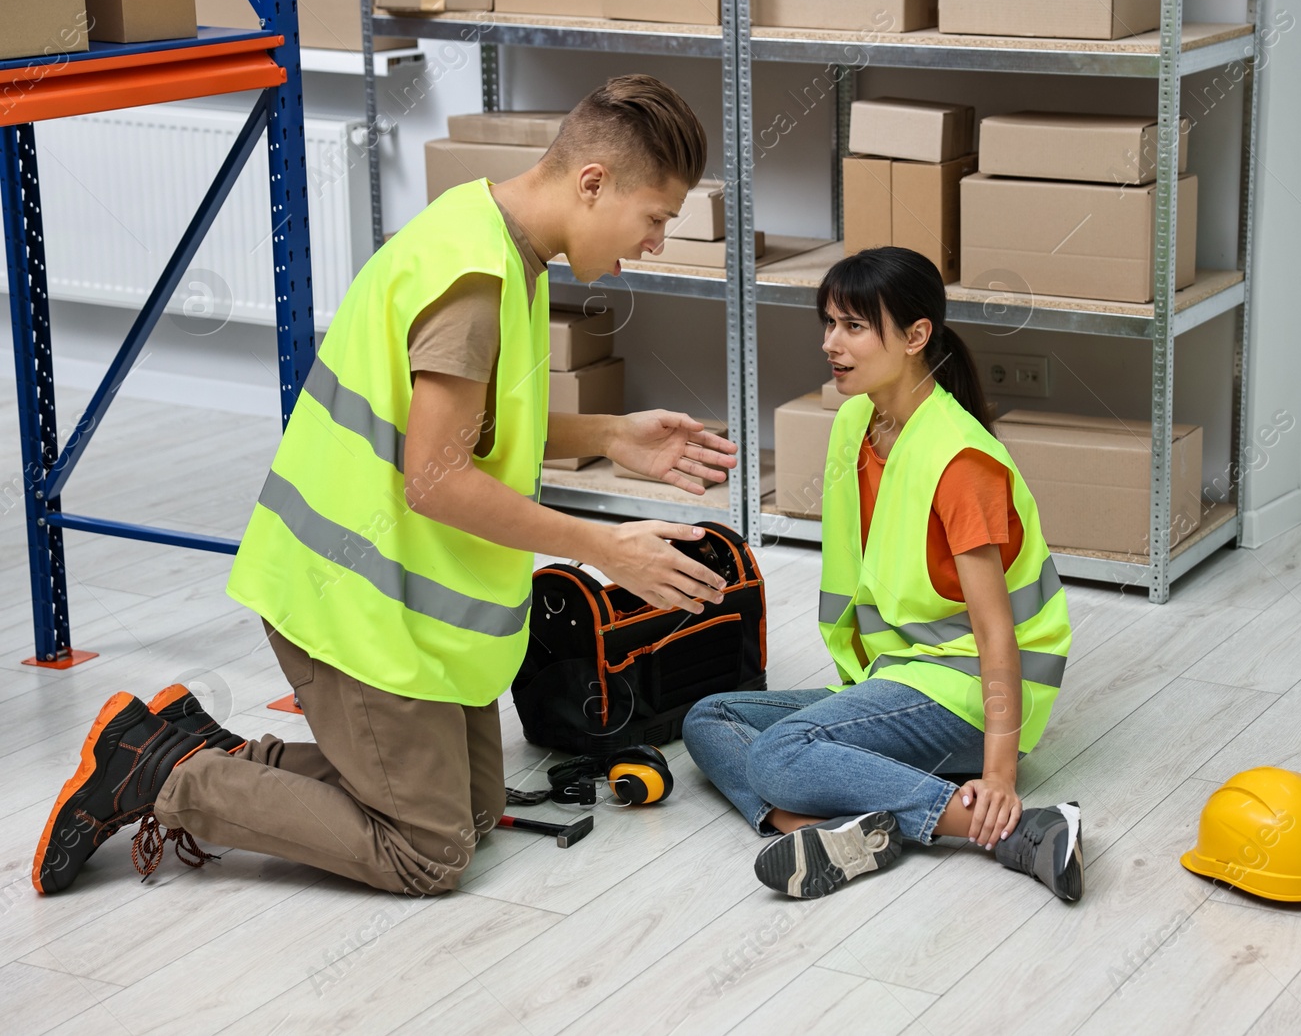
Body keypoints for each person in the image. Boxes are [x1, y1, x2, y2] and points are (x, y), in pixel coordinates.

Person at [34, 74, 738, 897]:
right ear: (593, 183)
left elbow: (467, 429)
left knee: (472, 817)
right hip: (348, 602)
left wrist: (612, 435)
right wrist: (602, 545)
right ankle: (161, 776)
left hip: (400, 603)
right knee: (428, 851)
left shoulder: (494, 235)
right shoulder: (475, 280)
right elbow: (436, 483)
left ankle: (189, 743)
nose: (656, 241)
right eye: (655, 218)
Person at [683, 247, 1081, 902]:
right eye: (829, 323)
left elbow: (996, 631)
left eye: (853, 326)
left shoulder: (959, 461)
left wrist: (1001, 773)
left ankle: (1009, 830)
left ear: (917, 335)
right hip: (895, 678)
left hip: (968, 698)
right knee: (710, 715)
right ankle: (830, 830)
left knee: (781, 753)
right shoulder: (855, 423)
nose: (830, 343)